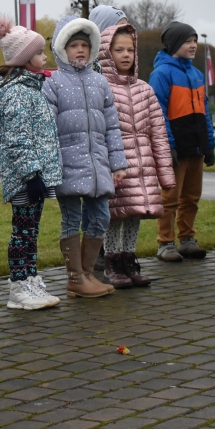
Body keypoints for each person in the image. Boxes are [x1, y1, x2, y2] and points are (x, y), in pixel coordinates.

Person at [42, 16, 126, 298]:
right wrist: (51, 165)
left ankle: (88, 274)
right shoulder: (52, 83)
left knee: (100, 216)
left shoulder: (100, 83)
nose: (80, 50)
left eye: (84, 45)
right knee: (71, 219)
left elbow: (112, 126)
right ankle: (75, 277)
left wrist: (117, 164)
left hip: (97, 164)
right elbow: (47, 128)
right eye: (73, 45)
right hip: (67, 165)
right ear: (61, 48)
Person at [0, 17, 63, 311]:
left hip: (35, 175)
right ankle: (18, 286)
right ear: (24, 58)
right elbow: (18, 139)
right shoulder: (18, 92)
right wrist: (31, 175)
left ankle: (30, 278)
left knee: (31, 231)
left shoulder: (32, 88)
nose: (45, 58)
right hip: (25, 178)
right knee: (23, 231)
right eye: (40, 52)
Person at [97, 23, 177, 287]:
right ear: (106, 54)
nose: (125, 55)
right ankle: (111, 262)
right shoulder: (102, 88)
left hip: (143, 165)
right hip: (117, 165)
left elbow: (159, 135)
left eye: (130, 49)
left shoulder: (145, 89)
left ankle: (129, 259)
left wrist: (165, 174)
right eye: (118, 49)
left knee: (134, 213)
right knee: (114, 216)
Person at [149, 22, 215, 261]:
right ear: (174, 44)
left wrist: (209, 144)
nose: (193, 45)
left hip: (196, 147)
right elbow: (158, 112)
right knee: (169, 198)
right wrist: (169, 144)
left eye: (195, 41)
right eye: (188, 41)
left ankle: (187, 239)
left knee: (191, 197)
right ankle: (165, 243)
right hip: (175, 148)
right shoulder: (161, 74)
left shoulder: (196, 75)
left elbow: (204, 113)